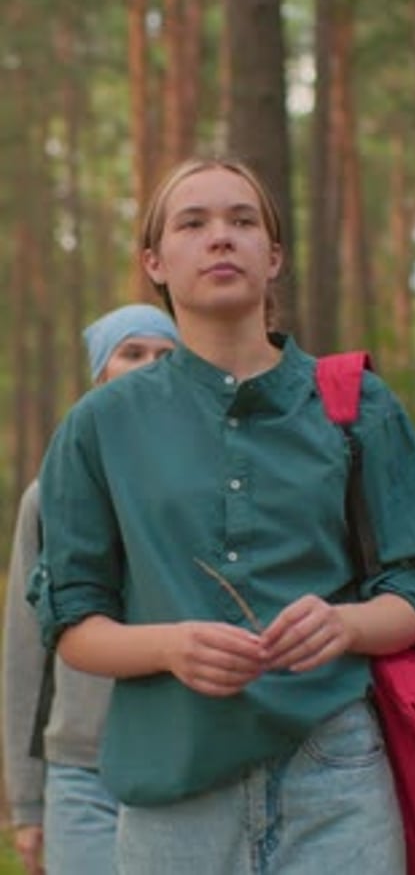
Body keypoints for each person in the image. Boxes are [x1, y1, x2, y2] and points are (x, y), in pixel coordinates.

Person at [28, 157, 415, 875]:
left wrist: (344, 623)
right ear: (156, 261)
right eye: (194, 223)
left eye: (242, 220)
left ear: (274, 256)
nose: (221, 237)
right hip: (171, 793)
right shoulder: (98, 427)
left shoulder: (359, 405)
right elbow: (72, 623)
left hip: (336, 771)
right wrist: (168, 647)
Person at [2, 304, 179, 875]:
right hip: (82, 773)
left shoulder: (209, 488)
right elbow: (26, 653)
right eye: (132, 353)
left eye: (165, 355)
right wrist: (28, 804)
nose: (149, 366)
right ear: (101, 372)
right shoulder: (49, 495)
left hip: (184, 763)